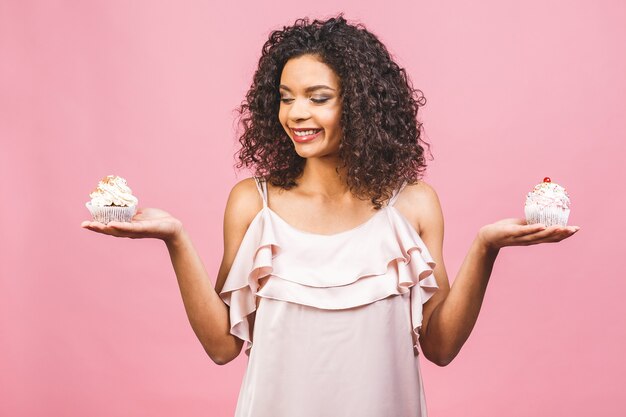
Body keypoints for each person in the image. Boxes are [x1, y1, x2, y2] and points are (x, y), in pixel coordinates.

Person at [81, 15, 579, 417]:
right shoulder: (254, 204)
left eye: (318, 98)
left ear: (360, 106)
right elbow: (221, 347)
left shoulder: (413, 205)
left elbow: (441, 346)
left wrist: (486, 247)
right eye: (285, 97)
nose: (296, 113)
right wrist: (175, 238)